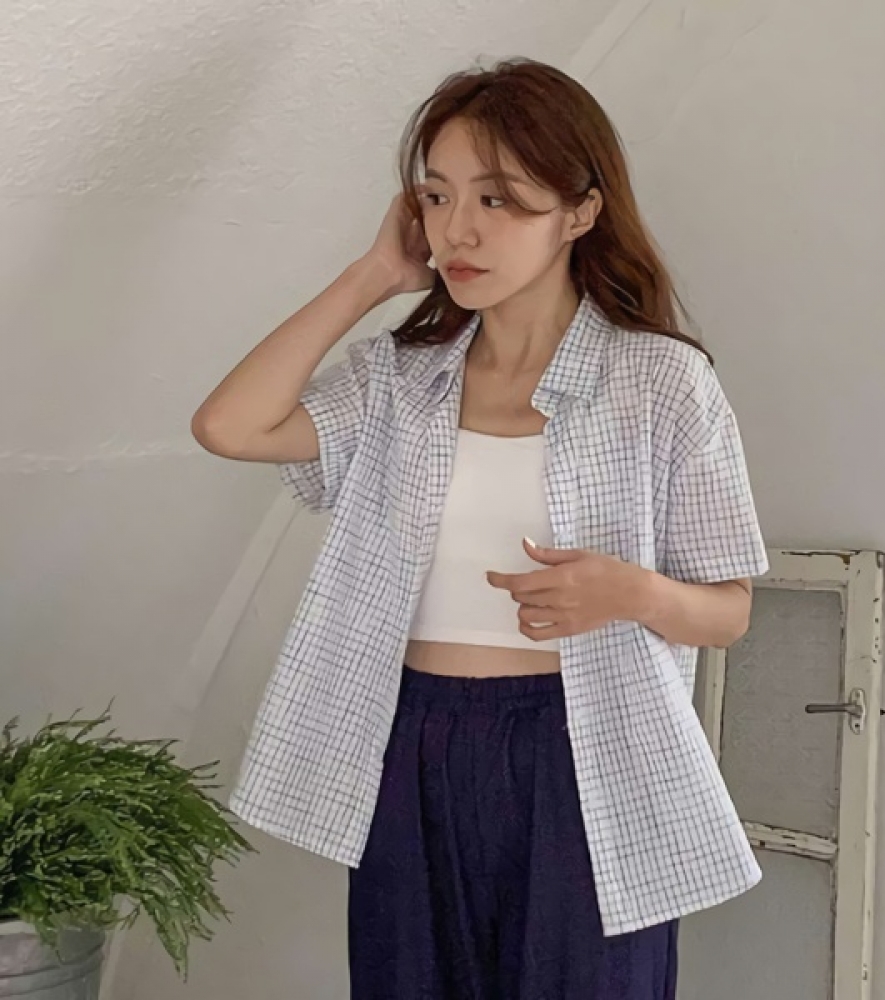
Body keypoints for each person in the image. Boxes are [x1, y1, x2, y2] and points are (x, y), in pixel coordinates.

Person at [192, 57, 769, 1000]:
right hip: (412, 739)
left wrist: (628, 592)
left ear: (579, 211)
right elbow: (229, 426)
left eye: (498, 198)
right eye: (436, 196)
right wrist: (373, 275)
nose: (457, 229)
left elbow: (730, 611)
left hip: (585, 746)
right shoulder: (399, 379)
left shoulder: (661, 382)